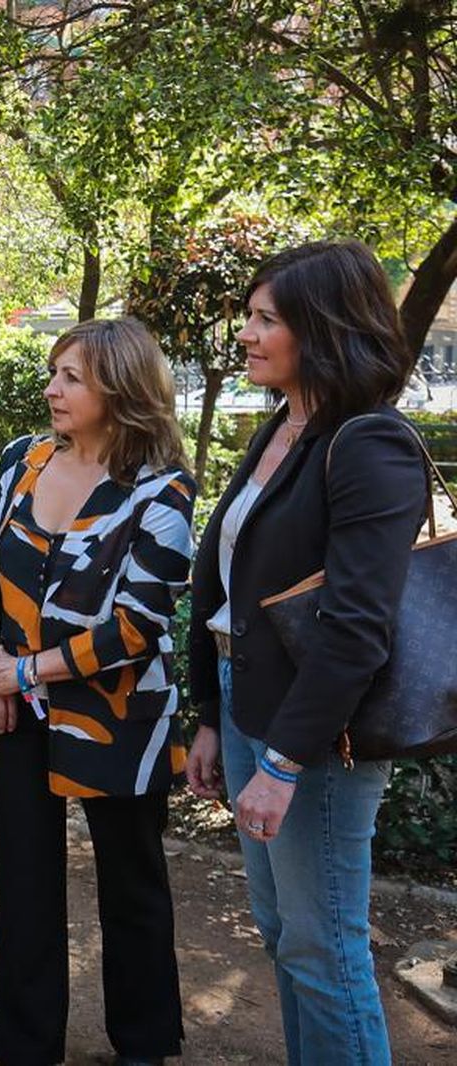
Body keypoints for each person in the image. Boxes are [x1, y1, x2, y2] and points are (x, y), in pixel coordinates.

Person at [183, 241, 425, 1065]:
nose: (245, 334)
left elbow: (356, 626)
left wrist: (283, 763)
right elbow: (227, 586)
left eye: (265, 319)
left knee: (326, 948)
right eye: (248, 316)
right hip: (248, 702)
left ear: (323, 329)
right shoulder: (286, 425)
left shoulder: (369, 444)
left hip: (315, 736)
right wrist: (210, 719)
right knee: (289, 935)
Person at [0, 317, 195, 1066]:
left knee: (132, 882)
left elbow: (137, 627)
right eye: (54, 373)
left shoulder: (162, 491)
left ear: (120, 389)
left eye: (71, 378)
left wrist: (23, 673)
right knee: (22, 879)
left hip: (116, 713)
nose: (51, 389)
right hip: (13, 704)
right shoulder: (25, 460)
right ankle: (26, 1045)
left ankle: (145, 1043)